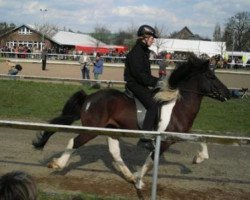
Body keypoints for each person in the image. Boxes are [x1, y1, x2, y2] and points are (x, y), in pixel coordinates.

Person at [124, 24, 161, 131]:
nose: (153, 41)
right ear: (144, 37)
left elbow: (145, 75)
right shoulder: (137, 53)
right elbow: (140, 76)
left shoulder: (143, 51)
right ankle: (145, 137)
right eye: (152, 38)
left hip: (140, 83)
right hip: (135, 84)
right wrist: (156, 82)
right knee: (153, 106)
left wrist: (158, 81)